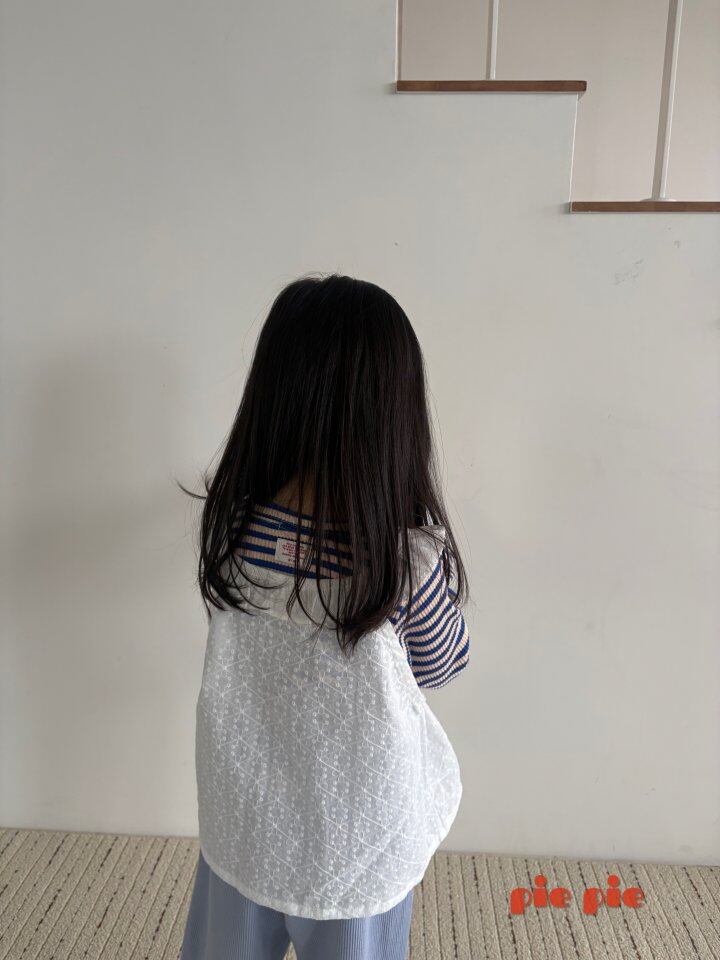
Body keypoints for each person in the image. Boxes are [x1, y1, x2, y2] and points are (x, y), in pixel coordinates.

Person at [180, 274, 470, 960]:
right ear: (394, 416)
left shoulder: (233, 530)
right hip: (356, 845)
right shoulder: (403, 562)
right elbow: (441, 665)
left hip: (246, 821)